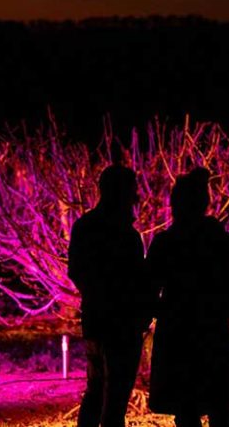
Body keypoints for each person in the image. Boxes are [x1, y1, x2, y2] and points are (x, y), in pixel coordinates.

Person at [146, 167, 229, 427]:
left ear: (176, 205)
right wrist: (216, 311)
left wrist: (166, 311)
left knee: (186, 409)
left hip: (176, 337)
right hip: (213, 336)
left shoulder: (166, 243)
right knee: (218, 409)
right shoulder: (223, 243)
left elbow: (147, 291)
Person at [67, 164, 149, 427]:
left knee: (96, 391)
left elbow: (77, 271)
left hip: (96, 321)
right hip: (122, 325)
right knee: (114, 399)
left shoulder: (85, 227)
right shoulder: (127, 235)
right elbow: (137, 281)